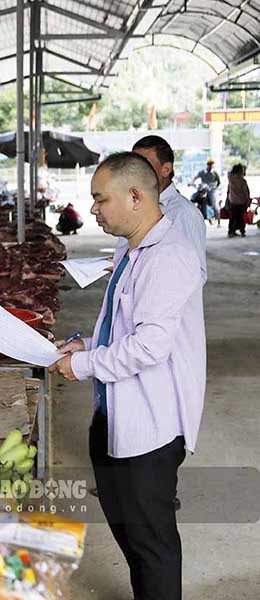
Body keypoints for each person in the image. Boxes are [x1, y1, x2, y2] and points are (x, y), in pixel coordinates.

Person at [49, 152, 204, 600]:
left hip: (151, 427)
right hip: (115, 411)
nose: (94, 209)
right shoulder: (132, 251)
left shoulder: (170, 256)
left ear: (135, 196)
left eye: (101, 199)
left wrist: (81, 365)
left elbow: (150, 346)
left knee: (151, 543)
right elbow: (122, 329)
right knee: (130, 534)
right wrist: (87, 347)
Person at [132, 135, 206, 281]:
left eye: (143, 165)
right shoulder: (134, 206)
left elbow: (196, 274)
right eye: (132, 165)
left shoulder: (184, 214)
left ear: (166, 169)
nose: (133, 172)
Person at [225, 163, 251, 238]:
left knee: (232, 218)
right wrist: (248, 201)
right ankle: (242, 231)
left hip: (232, 201)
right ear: (239, 171)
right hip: (241, 202)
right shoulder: (242, 181)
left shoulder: (230, 178)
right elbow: (246, 192)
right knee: (241, 217)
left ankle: (231, 232)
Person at [193, 158, 220, 225]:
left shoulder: (214, 173)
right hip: (203, 190)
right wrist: (191, 182)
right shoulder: (202, 172)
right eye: (209, 164)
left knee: (214, 204)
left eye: (212, 164)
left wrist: (214, 188)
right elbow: (195, 178)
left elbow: (219, 182)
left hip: (211, 191)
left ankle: (217, 219)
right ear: (207, 165)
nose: (210, 166)